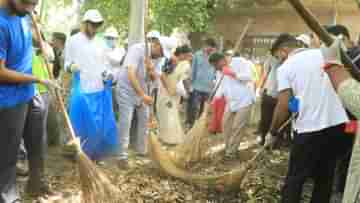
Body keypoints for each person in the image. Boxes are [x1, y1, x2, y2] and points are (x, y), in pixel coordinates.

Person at [267, 33, 349, 203]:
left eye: (277, 57)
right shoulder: (323, 54)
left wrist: (273, 131)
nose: (279, 61)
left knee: (295, 179)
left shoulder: (286, 67)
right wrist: (295, 108)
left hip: (309, 130)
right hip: (338, 126)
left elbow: (283, 104)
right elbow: (294, 101)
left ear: (283, 51)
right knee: (324, 178)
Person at [0, 0, 58, 201]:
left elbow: (29, 44)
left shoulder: (24, 14)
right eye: (27, 3)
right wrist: (38, 79)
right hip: (8, 101)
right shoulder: (1, 23)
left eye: (34, 4)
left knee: (37, 142)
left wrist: (39, 36)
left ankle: (36, 184)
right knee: (8, 152)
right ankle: (7, 195)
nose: (30, 8)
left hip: (29, 92)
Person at [64, 10, 118, 160]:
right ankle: (79, 155)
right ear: (85, 23)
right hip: (81, 89)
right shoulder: (73, 40)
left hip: (99, 89)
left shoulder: (101, 43)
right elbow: (66, 63)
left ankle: (94, 154)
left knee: (98, 124)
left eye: (97, 25)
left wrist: (108, 74)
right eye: (92, 25)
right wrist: (71, 67)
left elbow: (105, 64)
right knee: (80, 124)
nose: (94, 28)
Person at [115, 34, 164, 169]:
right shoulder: (137, 49)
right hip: (126, 90)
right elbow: (131, 73)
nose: (161, 56)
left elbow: (155, 79)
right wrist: (142, 95)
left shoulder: (158, 57)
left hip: (143, 92)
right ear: (156, 45)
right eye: (161, 52)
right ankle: (122, 155)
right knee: (126, 120)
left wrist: (151, 69)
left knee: (145, 118)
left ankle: (142, 150)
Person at [321, 38, 360, 203]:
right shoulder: (353, 55)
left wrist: (332, 67)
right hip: (348, 117)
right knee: (343, 154)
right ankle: (338, 187)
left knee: (345, 152)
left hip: (352, 113)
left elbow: (352, 95)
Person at [210, 53, 255, 160]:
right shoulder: (219, 71)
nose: (216, 68)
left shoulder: (240, 62)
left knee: (237, 127)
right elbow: (219, 86)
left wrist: (233, 74)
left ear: (222, 60)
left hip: (244, 100)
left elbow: (249, 77)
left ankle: (231, 152)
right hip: (230, 102)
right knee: (225, 124)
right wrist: (214, 99)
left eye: (216, 66)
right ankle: (227, 147)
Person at [157, 45, 192, 145]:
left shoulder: (182, 63)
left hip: (175, 93)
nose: (187, 58)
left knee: (172, 114)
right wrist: (168, 89)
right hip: (166, 93)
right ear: (182, 54)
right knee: (168, 114)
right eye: (187, 56)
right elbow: (162, 76)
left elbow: (182, 80)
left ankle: (170, 138)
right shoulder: (173, 60)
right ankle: (168, 138)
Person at [186, 38, 217, 128]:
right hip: (197, 86)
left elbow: (216, 71)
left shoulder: (214, 56)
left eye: (211, 49)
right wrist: (190, 84)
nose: (209, 50)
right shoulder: (197, 55)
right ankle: (191, 124)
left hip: (209, 87)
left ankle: (200, 125)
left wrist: (215, 82)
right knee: (194, 107)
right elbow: (193, 70)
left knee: (204, 109)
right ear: (205, 46)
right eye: (208, 48)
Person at [257, 55, 281, 145]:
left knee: (278, 119)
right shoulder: (271, 59)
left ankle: (275, 141)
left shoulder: (291, 60)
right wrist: (260, 88)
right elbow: (265, 74)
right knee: (265, 119)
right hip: (269, 93)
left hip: (282, 95)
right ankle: (263, 138)